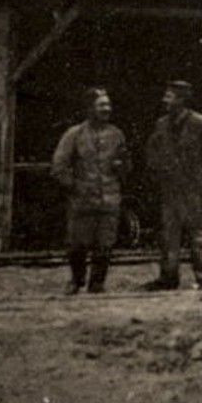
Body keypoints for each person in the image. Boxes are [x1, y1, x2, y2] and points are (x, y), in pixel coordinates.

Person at [141, 80, 202, 291]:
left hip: (191, 186)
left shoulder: (200, 122)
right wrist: (155, 167)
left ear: (182, 100)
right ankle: (168, 277)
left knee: (198, 231)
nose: (165, 100)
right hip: (169, 186)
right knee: (168, 233)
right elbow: (152, 148)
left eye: (170, 96)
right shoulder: (162, 124)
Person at [51, 88, 129, 295]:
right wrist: (74, 187)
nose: (107, 109)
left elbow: (127, 165)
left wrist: (121, 166)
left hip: (109, 198)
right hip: (82, 200)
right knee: (78, 245)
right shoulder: (74, 134)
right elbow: (59, 166)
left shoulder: (116, 134)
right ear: (89, 108)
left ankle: (97, 284)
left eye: (108, 105)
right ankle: (77, 281)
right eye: (101, 105)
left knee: (105, 245)